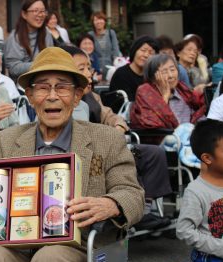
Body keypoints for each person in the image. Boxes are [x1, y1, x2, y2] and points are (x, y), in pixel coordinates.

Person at [0, 46, 144, 262]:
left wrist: (109, 204)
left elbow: (132, 193)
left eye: (62, 87)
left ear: (77, 96)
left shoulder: (106, 139)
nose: (52, 96)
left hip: (77, 250)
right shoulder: (7, 140)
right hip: (17, 249)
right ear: (31, 96)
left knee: (50, 259)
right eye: (43, 87)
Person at [62, 44, 171, 230]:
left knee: (154, 153)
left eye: (89, 68)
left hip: (109, 144)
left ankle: (148, 206)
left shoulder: (93, 97)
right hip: (86, 151)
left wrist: (117, 129)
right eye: (82, 69)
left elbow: (112, 117)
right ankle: (135, 212)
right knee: (127, 157)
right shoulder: (64, 101)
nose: (89, 73)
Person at [168, 119, 223, 262]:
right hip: (213, 261)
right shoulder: (196, 191)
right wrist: (220, 247)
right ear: (207, 158)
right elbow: (184, 231)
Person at [131, 54, 206, 130]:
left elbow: (198, 114)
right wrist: (165, 98)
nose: (170, 75)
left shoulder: (182, 89)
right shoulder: (145, 91)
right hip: (166, 138)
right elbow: (153, 124)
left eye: (172, 70)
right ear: (153, 77)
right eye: (164, 72)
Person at [4, 0, 54, 82]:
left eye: (43, 11)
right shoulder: (15, 37)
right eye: (35, 11)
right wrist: (39, 64)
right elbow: (13, 68)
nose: (40, 14)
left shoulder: (46, 34)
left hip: (44, 82)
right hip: (23, 86)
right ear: (24, 14)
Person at [109, 35, 159, 101]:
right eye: (143, 50)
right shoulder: (121, 74)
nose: (146, 55)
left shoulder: (153, 76)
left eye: (151, 53)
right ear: (134, 50)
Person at [88, 11, 121, 78]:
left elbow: (116, 50)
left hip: (111, 68)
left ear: (104, 21)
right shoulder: (90, 35)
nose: (98, 22)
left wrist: (116, 66)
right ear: (93, 22)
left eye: (100, 19)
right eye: (96, 20)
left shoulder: (111, 33)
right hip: (95, 69)